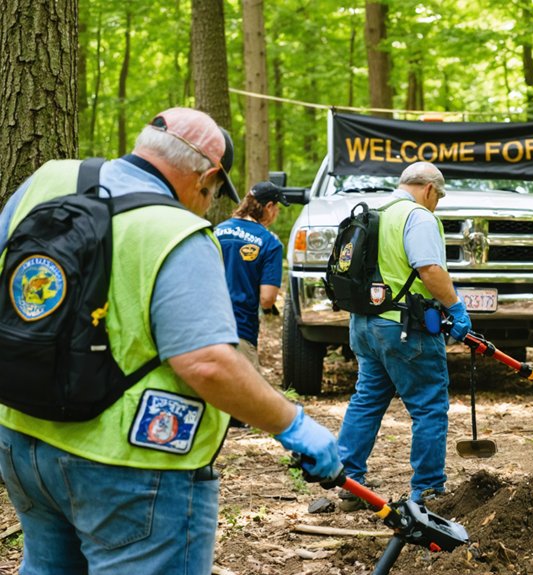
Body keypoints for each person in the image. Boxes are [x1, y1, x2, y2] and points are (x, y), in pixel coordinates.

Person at [0, 107, 342, 573]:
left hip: (23, 440)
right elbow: (207, 362)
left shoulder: (48, 179)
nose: (209, 203)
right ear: (207, 176)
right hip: (129, 468)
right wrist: (293, 424)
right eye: (215, 192)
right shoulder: (178, 233)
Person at [336, 161, 471, 511]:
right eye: (438, 198)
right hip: (403, 328)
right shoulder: (418, 216)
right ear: (429, 189)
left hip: (364, 325)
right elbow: (429, 269)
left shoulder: (374, 213)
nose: (436, 204)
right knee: (429, 407)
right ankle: (427, 491)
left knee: (367, 401)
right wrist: (456, 307)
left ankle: (349, 483)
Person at [215, 181, 288, 367]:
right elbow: (267, 299)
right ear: (269, 206)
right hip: (240, 330)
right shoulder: (270, 243)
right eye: (277, 208)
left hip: (206, 329)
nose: (277, 213)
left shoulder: (217, 231)